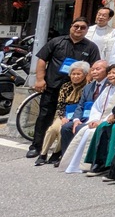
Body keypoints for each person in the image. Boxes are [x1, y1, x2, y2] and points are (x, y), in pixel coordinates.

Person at [27, 16, 101, 159]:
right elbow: (42, 59)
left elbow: (93, 67)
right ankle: (36, 147)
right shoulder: (56, 42)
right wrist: (40, 79)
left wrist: (87, 85)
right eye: (76, 26)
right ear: (71, 27)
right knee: (44, 116)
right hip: (52, 85)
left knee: (70, 118)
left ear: (87, 30)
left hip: (75, 91)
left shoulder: (91, 47)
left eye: (83, 27)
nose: (79, 29)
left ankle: (63, 151)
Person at [61, 63, 115, 173]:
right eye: (109, 73)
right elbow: (96, 107)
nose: (110, 75)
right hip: (97, 119)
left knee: (92, 131)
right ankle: (77, 163)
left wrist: (101, 121)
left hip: (113, 120)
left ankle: (95, 163)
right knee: (85, 130)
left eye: (114, 73)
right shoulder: (107, 89)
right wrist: (94, 120)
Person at [35, 61, 90, 166]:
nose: (75, 76)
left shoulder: (88, 87)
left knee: (62, 129)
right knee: (52, 129)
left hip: (78, 117)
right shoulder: (66, 86)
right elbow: (60, 104)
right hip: (64, 115)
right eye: (73, 74)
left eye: (78, 74)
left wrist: (73, 118)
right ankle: (43, 154)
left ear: (85, 75)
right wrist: (63, 117)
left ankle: (56, 153)